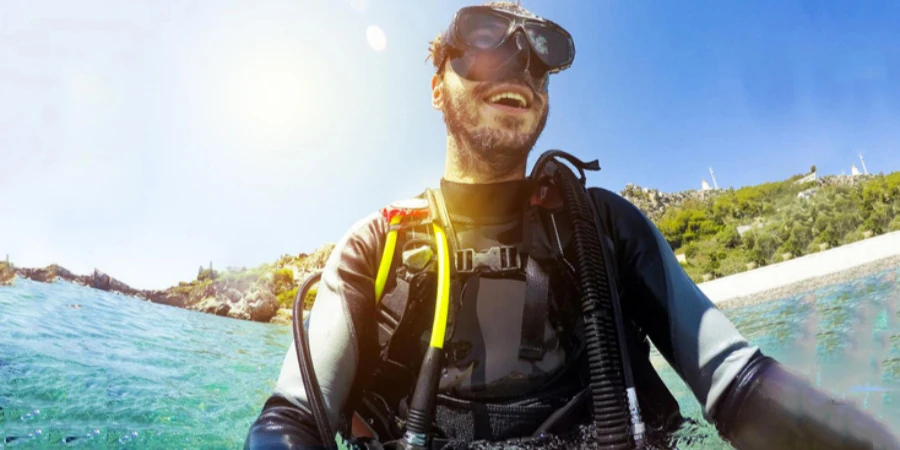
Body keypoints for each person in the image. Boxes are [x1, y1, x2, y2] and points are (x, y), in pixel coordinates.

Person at [245, 2, 899, 449]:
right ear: (437, 83)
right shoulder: (373, 249)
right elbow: (291, 419)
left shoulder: (607, 229)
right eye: (485, 41)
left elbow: (741, 384)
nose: (521, 68)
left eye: (538, 57)